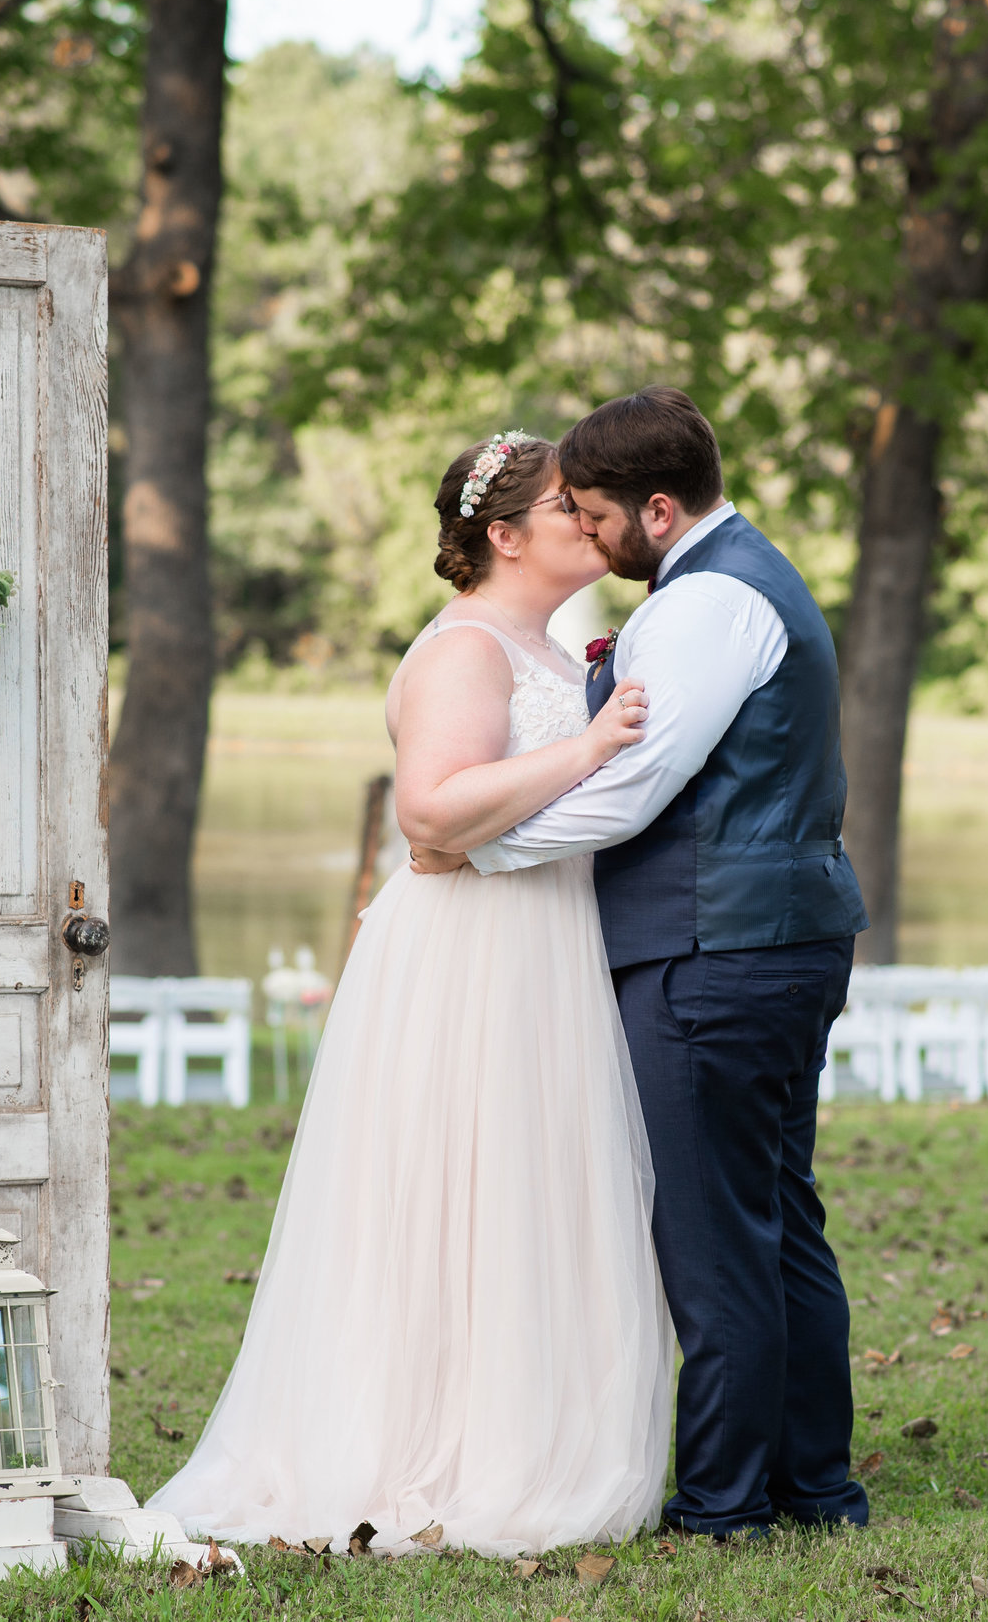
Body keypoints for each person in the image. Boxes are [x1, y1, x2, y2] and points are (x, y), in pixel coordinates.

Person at [147, 432, 674, 1557]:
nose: (592, 522)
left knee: (527, 1194)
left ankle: (522, 1436)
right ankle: (415, 1445)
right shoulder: (463, 651)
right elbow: (431, 818)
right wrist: (586, 751)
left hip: (542, 941)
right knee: (449, 1194)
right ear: (502, 534)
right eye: (568, 508)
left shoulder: (554, 645)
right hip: (468, 954)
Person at [425, 386, 871, 1540]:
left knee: (718, 1233)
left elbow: (628, 790)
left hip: (714, 947)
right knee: (773, 1214)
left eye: (594, 510)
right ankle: (812, 1485)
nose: (584, 527)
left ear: (658, 508)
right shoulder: (735, 576)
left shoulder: (704, 604)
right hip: (767, 933)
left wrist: (485, 854)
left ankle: (726, 1503)